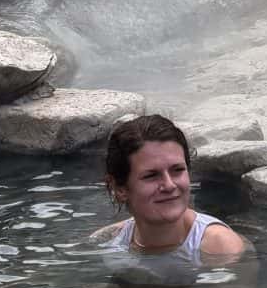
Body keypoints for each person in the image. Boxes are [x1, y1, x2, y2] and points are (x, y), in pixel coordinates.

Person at [93, 114, 249, 272]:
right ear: (120, 189)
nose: (169, 185)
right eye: (151, 175)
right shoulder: (110, 238)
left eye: (178, 170)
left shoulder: (221, 247)